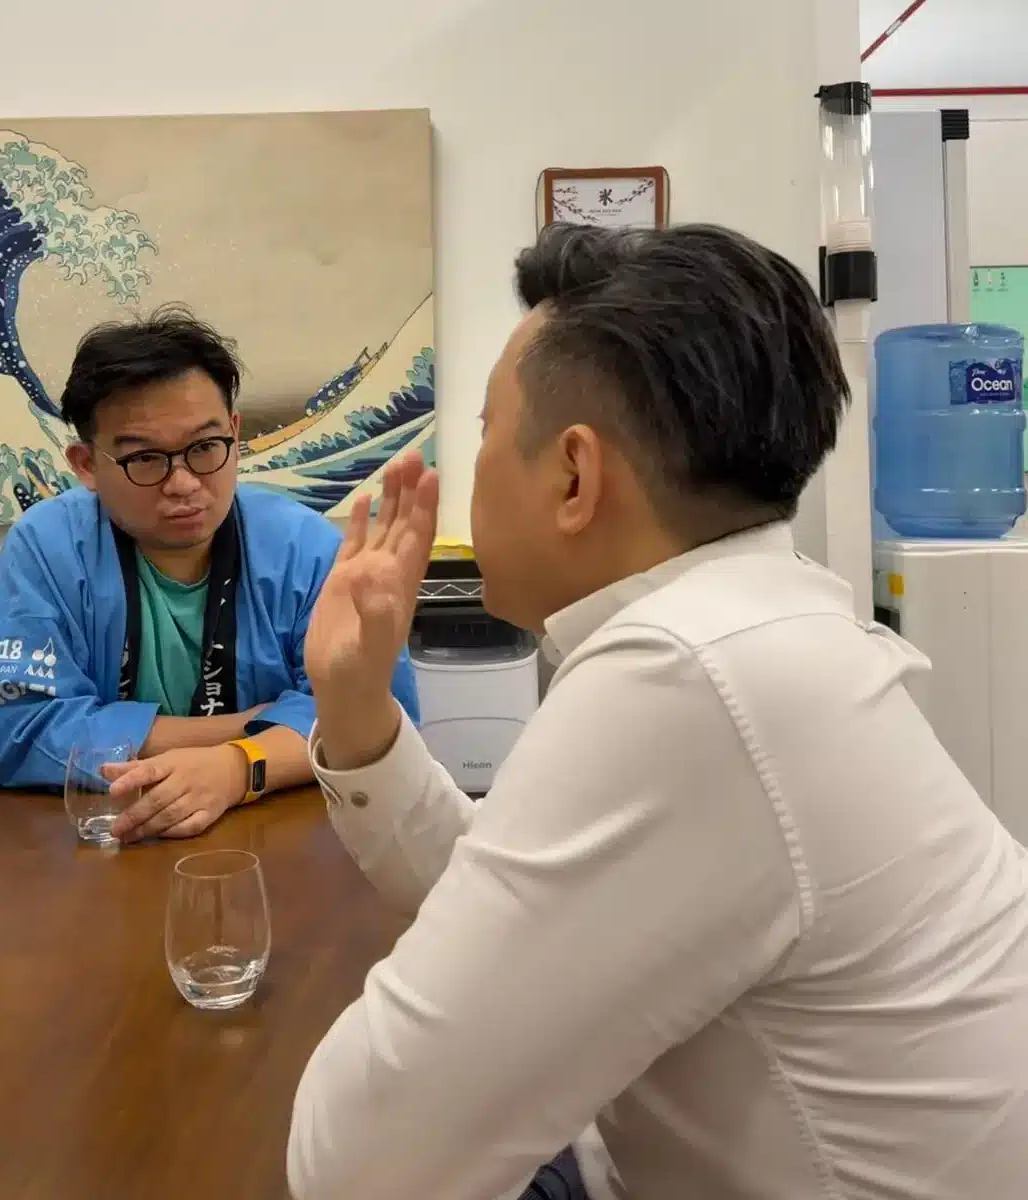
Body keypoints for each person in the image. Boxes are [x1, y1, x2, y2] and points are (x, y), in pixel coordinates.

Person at [287, 224, 1028, 1199]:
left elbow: (359, 1166)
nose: (472, 470)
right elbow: (517, 902)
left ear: (573, 476)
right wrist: (355, 704)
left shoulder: (689, 675)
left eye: (483, 432)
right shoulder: (762, 619)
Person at [0, 306, 419, 841]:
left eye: (205, 447)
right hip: (98, 842)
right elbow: (15, 725)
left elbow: (376, 711)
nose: (183, 484)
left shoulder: (304, 547)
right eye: (146, 459)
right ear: (86, 464)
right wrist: (247, 730)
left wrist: (237, 768)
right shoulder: (46, 548)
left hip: (277, 841)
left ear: (235, 433)